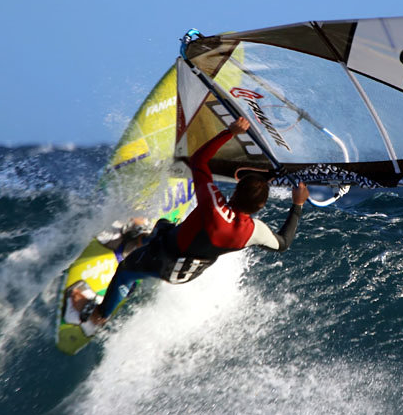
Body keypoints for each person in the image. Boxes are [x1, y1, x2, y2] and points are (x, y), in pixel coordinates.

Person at [72, 116, 308, 333]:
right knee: (164, 224)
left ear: (236, 191)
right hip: (187, 273)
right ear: (260, 207)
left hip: (164, 257)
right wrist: (297, 204)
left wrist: (230, 132)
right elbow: (283, 243)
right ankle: (140, 239)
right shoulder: (254, 231)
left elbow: (199, 160)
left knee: (125, 272)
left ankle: (97, 315)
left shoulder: (214, 206)